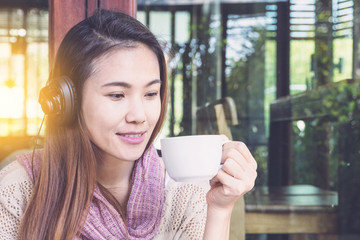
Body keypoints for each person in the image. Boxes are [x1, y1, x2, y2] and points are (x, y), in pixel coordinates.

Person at [0, 9, 257, 240]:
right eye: (117, 95)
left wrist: (220, 209)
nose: (139, 116)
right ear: (68, 100)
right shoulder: (17, 190)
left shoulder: (186, 192)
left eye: (150, 94)